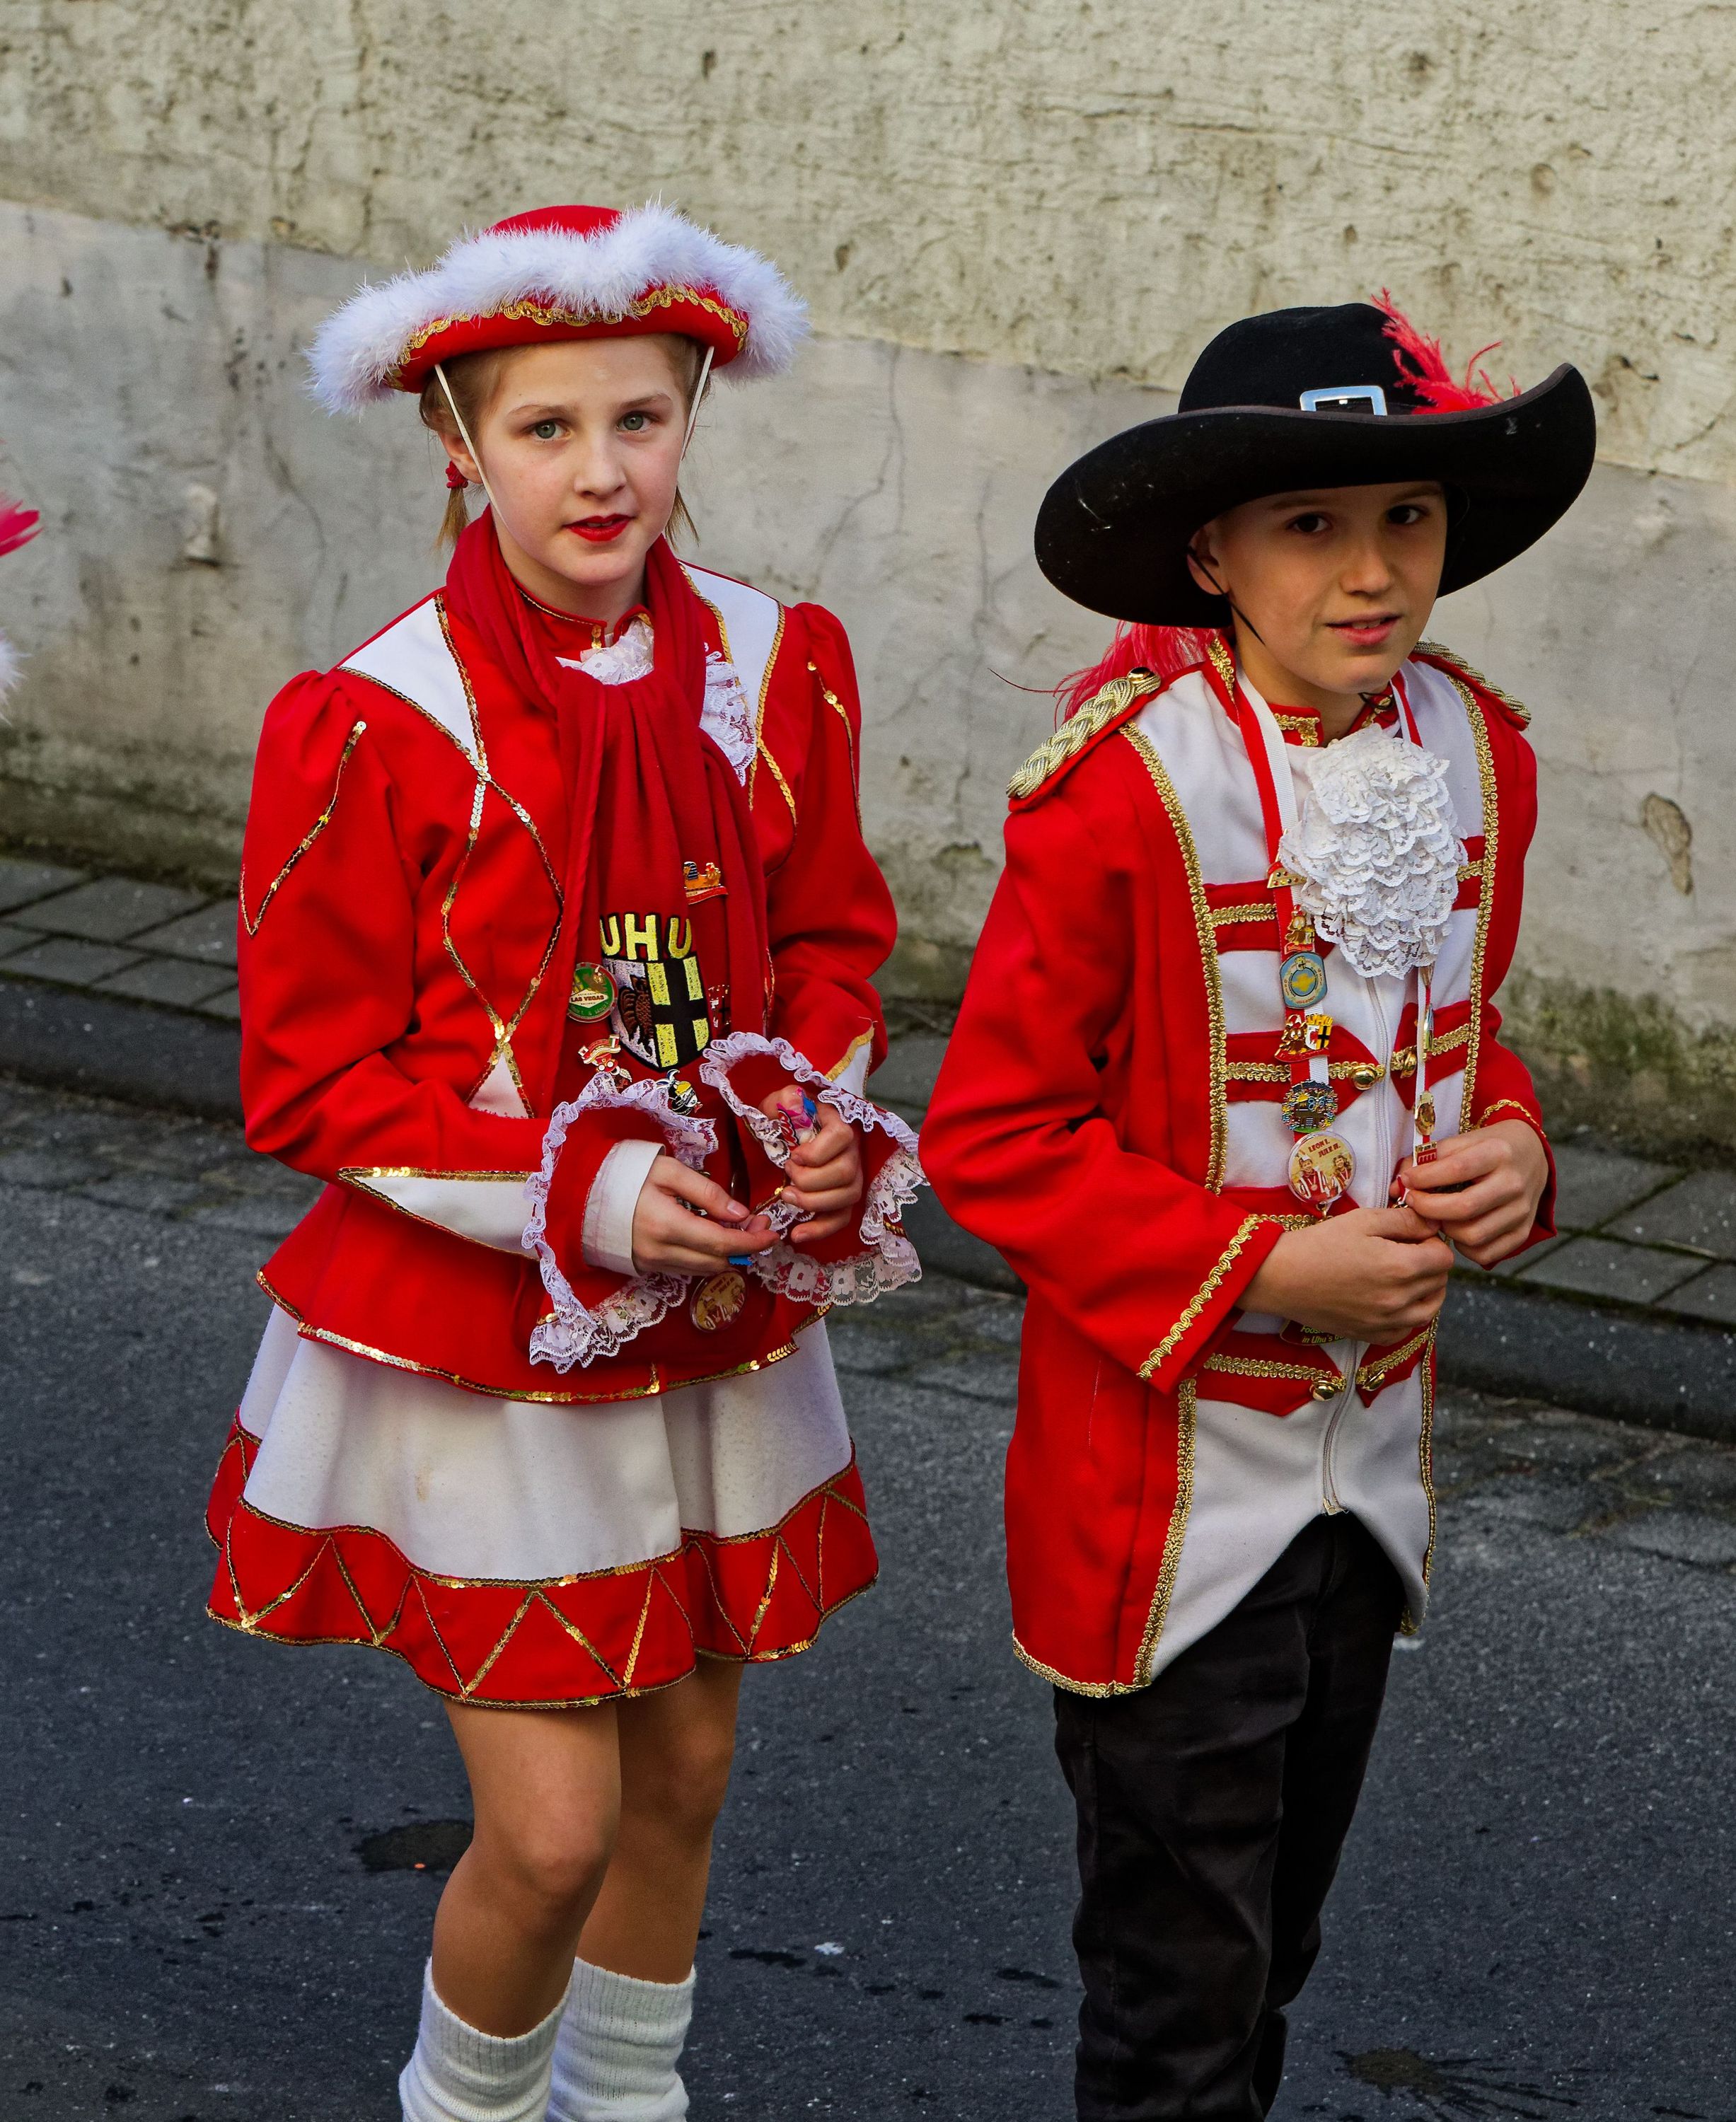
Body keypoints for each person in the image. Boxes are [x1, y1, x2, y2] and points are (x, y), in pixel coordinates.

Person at [204, 201, 923, 2122]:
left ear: (693, 410)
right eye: (546, 429)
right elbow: (312, 1078)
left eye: (640, 418)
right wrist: (584, 1195)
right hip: (486, 1327)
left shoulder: (779, 666)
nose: (602, 471)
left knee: (684, 1777)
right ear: (459, 440)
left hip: (723, 1300)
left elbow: (835, 941)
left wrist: (811, 1120)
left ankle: (628, 2102)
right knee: (547, 1831)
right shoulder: (371, 717)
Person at [921, 297, 1596, 2121]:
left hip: (1369, 1473)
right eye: (1310, 526)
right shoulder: (1122, 795)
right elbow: (991, 1138)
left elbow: (1456, 1038)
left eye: (1407, 518)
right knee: (1177, 1984)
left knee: (1275, 1934)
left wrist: (1515, 1152)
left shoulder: (1481, 752)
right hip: (1166, 1488)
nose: (1371, 573)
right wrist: (1269, 1259)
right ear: (1210, 553)